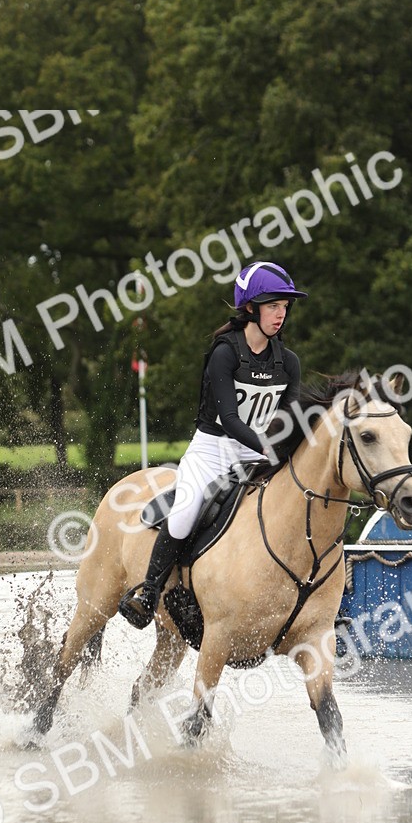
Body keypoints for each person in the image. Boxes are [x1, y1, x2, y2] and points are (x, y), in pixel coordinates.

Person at [118, 260, 306, 629]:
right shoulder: (225, 353)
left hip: (257, 453)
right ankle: (149, 593)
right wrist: (268, 447)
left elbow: (291, 419)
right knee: (187, 510)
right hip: (212, 449)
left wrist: (292, 448)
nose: (280, 315)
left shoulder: (290, 362)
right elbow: (232, 420)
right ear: (250, 308)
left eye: (284, 307)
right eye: (272, 306)